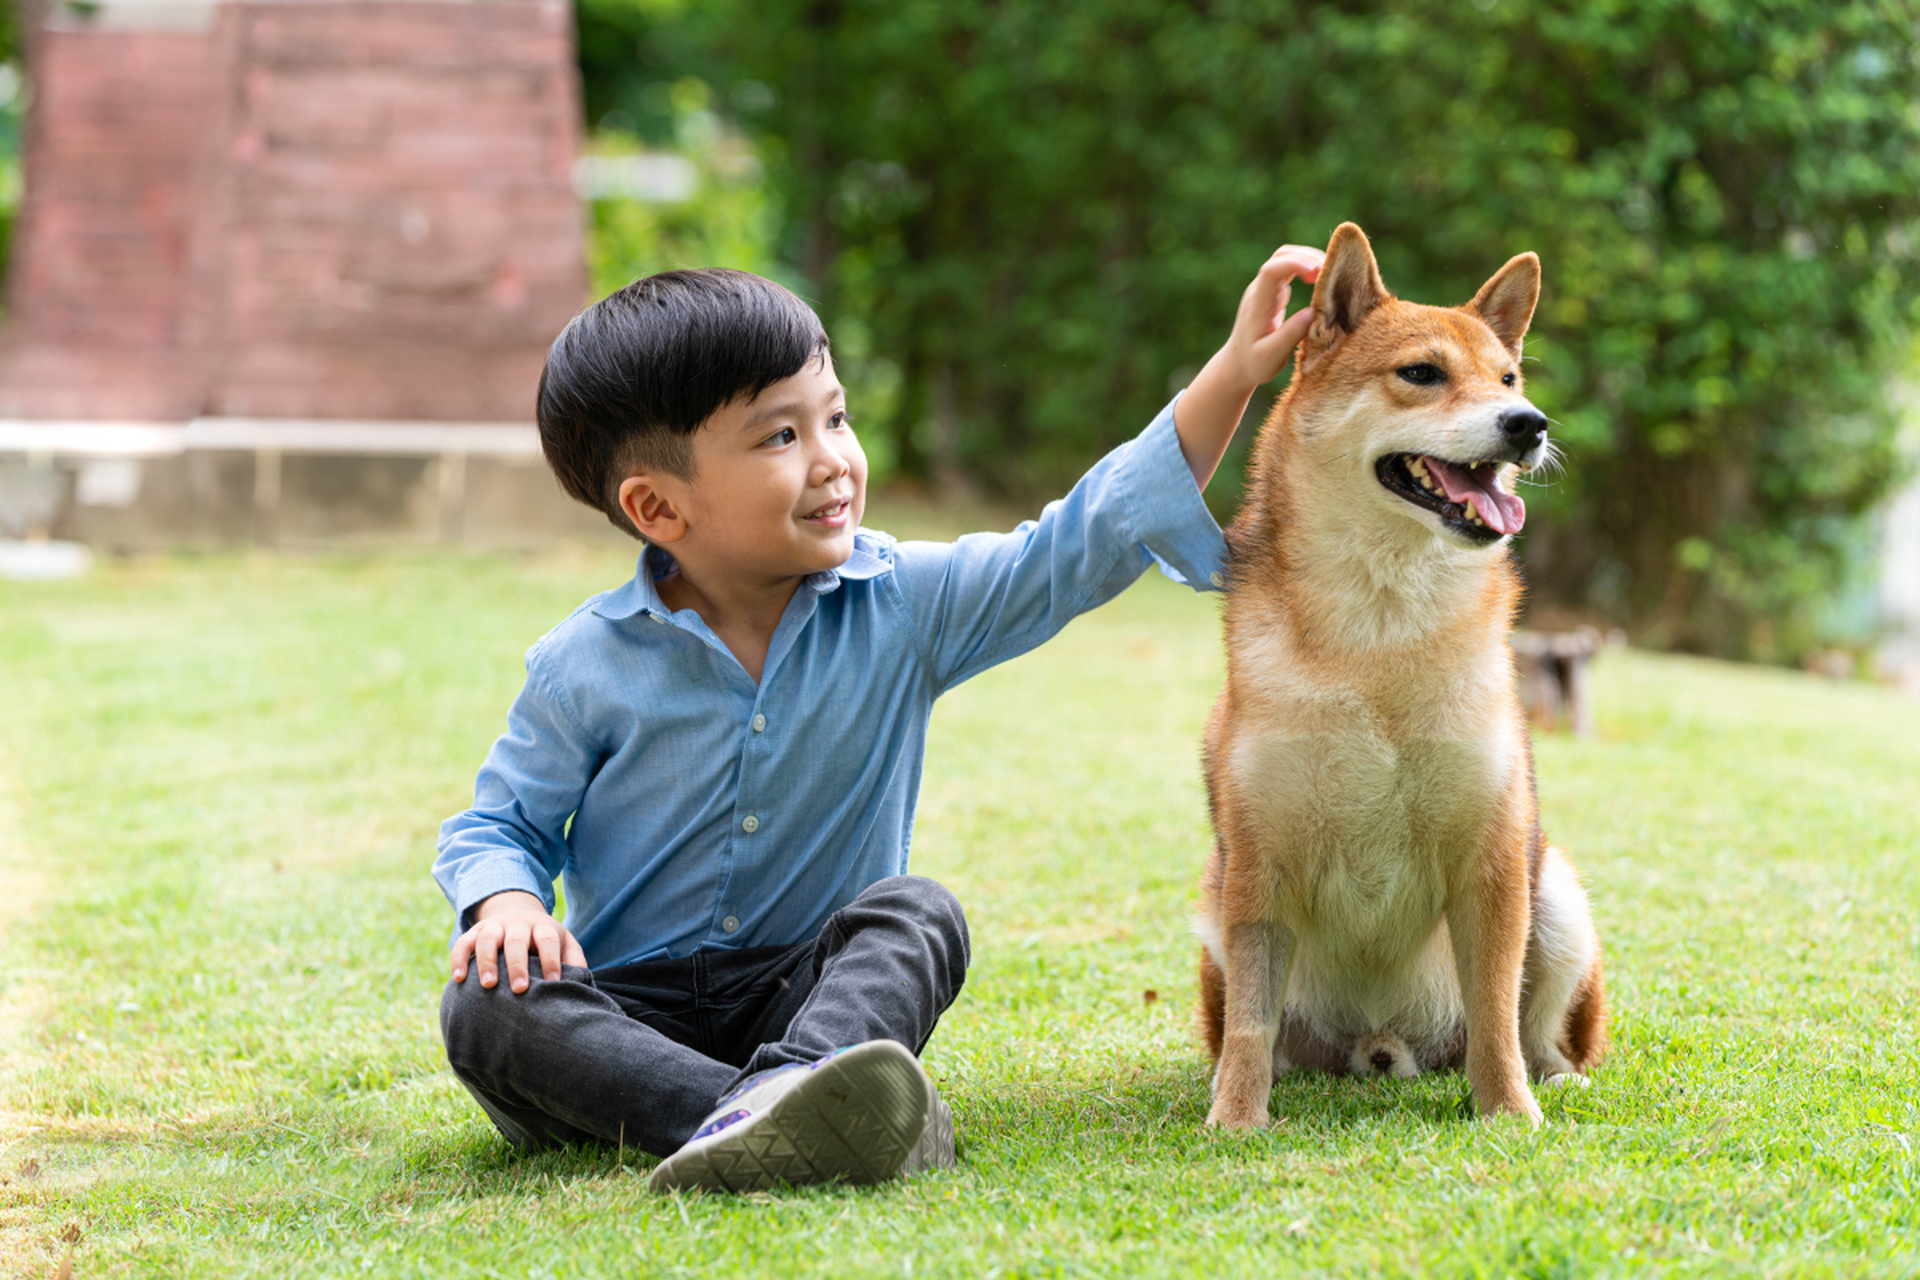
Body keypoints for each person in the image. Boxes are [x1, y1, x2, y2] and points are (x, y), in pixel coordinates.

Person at [433, 244, 1325, 1193]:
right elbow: (500, 824)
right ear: (658, 507)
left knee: (917, 914)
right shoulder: (585, 664)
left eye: (836, 416)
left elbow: (1082, 539)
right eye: (780, 437)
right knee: (485, 1010)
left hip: (813, 1000)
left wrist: (1233, 371)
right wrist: (507, 902)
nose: (834, 461)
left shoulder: (904, 603)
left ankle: (780, 1100)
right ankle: (776, 1113)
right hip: (629, 1019)